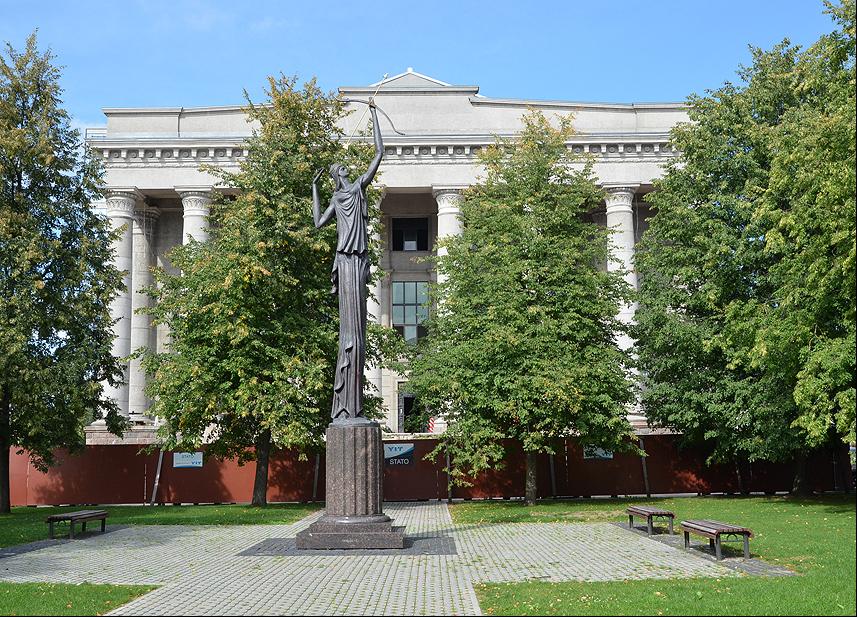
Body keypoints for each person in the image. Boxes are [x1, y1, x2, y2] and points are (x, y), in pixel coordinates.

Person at [312, 101, 383, 420]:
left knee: (357, 334)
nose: (347, 172)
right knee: (350, 335)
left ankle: (351, 407)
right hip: (344, 260)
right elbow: (317, 223)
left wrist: (373, 115)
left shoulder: (356, 190)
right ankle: (344, 406)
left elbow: (378, 155)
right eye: (342, 170)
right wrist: (314, 189)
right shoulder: (339, 197)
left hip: (356, 260)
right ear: (336, 177)